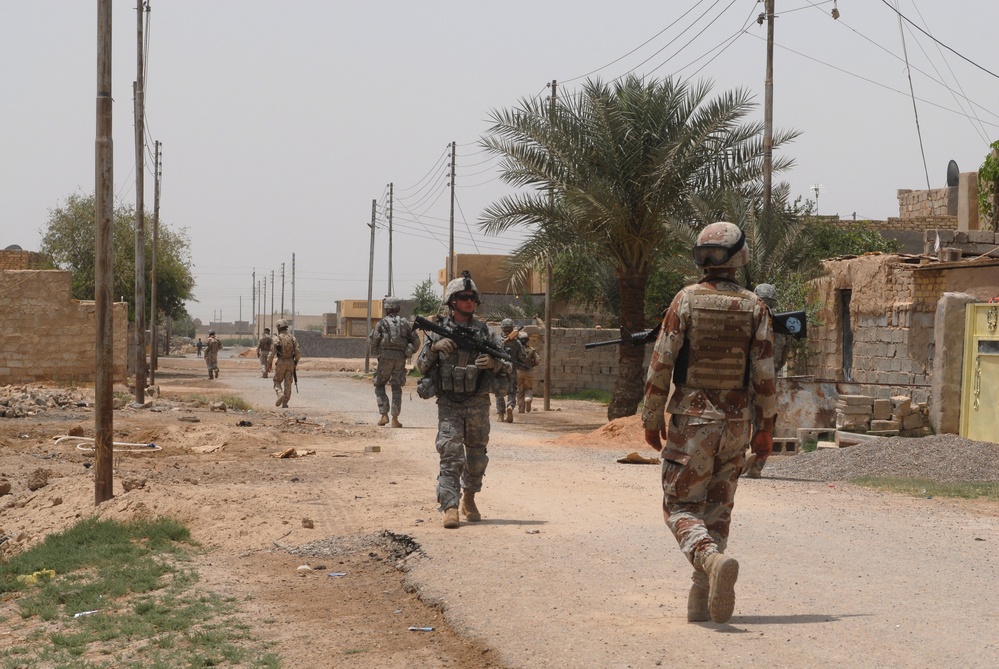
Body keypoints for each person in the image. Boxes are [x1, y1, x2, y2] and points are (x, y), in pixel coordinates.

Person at [641, 221, 776, 625]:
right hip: (737, 425)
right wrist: (766, 427)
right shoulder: (756, 307)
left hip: (693, 423)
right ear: (740, 257)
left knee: (680, 506)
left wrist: (651, 416)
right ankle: (701, 599)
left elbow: (661, 362)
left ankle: (710, 562)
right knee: (718, 508)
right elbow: (765, 374)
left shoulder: (685, 300)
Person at [416, 272, 513, 529]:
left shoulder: (485, 333)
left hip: (478, 403)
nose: (469, 301)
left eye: (472, 297)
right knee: (450, 453)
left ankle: (469, 498)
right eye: (463, 297)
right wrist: (435, 348)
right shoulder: (438, 331)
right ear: (452, 301)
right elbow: (420, 365)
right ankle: (450, 506)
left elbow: (508, 366)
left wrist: (494, 363)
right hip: (449, 403)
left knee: (477, 457)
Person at [743, 283, 790, 479]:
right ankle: (757, 466)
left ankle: (741, 459)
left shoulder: (752, 317)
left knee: (742, 418)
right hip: (770, 380)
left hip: (749, 378)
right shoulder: (783, 322)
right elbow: (786, 351)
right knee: (765, 421)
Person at [370, 296, 420, 427]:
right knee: (396, 387)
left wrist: (375, 351)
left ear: (386, 309)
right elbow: (416, 341)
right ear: (398, 309)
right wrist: (409, 351)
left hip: (385, 356)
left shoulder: (381, 323)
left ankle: (383, 415)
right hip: (400, 357)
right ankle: (395, 419)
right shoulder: (405, 323)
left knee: (379, 384)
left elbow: (374, 339)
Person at [493, 318, 525, 423]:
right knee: (512, 390)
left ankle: (501, 415)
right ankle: (510, 406)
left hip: (499, 368)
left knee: (499, 391)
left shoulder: (497, 340)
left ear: (502, 328)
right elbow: (522, 356)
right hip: (512, 369)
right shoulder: (517, 342)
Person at [268, 319, 301, 408]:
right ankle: (285, 402)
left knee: (277, 381)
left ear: (278, 328)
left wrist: (269, 363)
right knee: (288, 383)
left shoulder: (276, 338)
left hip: (281, 362)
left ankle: (280, 394)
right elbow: (298, 352)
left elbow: (272, 353)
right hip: (290, 362)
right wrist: (295, 362)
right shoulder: (292, 338)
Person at [515, 331, 542, 413]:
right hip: (528, 372)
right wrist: (532, 365)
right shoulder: (531, 350)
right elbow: (538, 360)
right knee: (528, 388)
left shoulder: (517, 350)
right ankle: (528, 398)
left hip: (518, 372)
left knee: (519, 389)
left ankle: (521, 409)